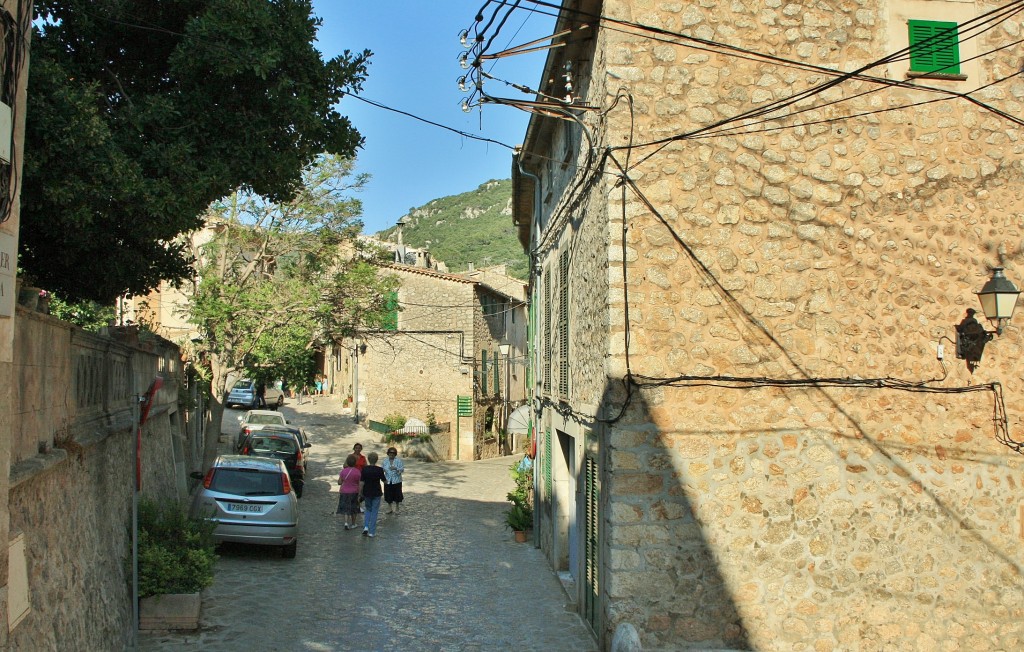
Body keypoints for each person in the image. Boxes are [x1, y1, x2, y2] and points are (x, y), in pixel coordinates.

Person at [359, 452, 386, 538]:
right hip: (377, 492)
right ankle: (372, 532)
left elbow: (361, 482)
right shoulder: (380, 470)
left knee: (368, 509)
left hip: (367, 492)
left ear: (368, 459)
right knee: (374, 511)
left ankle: (366, 526)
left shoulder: (364, 469)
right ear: (377, 460)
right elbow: (384, 481)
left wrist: (360, 493)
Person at [336, 454, 361, 530]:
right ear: (355, 463)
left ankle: (346, 522)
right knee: (354, 508)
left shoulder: (343, 471)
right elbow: (359, 483)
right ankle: (353, 523)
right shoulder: (358, 472)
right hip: (354, 492)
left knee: (345, 507)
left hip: (344, 491)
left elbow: (339, 482)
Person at [382, 447, 405, 515]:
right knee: (388, 494)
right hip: (388, 480)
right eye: (390, 453)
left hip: (397, 480)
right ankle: (389, 508)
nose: (391, 454)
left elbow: (402, 469)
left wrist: (396, 468)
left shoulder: (398, 461)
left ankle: (397, 507)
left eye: (393, 453)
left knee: (397, 494)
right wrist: (383, 478)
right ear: (388, 453)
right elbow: (382, 469)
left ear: (395, 454)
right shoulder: (385, 461)